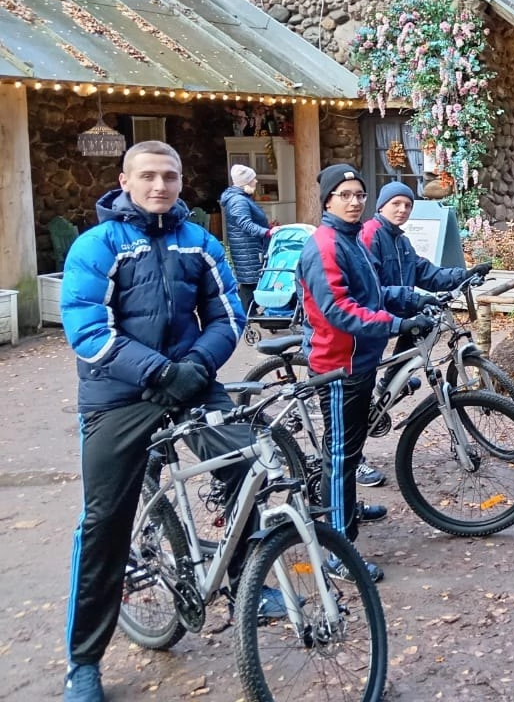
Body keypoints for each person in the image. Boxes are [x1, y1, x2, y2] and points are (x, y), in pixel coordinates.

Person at [60, 141, 249, 702]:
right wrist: (159, 371)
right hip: (119, 394)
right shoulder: (97, 245)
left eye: (169, 176)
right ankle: (84, 661)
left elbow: (228, 313)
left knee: (246, 462)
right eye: (147, 176)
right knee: (104, 523)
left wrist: (197, 366)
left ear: (181, 180)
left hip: (190, 380)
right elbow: (88, 330)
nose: (159, 186)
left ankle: (247, 580)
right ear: (125, 181)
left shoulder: (200, 242)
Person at [296, 164, 431, 582]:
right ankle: (338, 552)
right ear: (328, 201)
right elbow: (338, 310)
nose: (354, 202)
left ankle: (347, 510)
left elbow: (374, 293)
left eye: (359, 194)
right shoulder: (325, 246)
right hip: (340, 366)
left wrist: (413, 299)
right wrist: (395, 323)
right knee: (340, 456)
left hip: (361, 360)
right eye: (345, 195)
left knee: (350, 450)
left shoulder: (351, 239)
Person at [354, 180, 491, 487]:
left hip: (396, 314)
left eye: (407, 205)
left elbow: (426, 272)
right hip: (372, 319)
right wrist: (414, 298)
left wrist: (464, 274)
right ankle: (355, 459)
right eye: (396, 204)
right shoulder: (370, 234)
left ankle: (389, 384)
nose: (402, 209)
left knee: (421, 332)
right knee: (358, 392)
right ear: (381, 206)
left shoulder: (401, 241)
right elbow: (372, 288)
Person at [219, 163, 272, 317]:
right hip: (247, 248)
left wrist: (267, 227)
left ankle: (249, 313)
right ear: (245, 182)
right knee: (250, 282)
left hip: (248, 246)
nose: (256, 181)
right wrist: (267, 232)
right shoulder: (238, 200)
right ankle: (245, 315)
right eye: (253, 179)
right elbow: (245, 224)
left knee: (251, 280)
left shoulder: (241, 198)